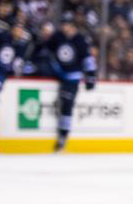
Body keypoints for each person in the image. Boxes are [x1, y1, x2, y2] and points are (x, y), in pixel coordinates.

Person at [38, 13, 97, 152]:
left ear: (72, 26)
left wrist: (91, 77)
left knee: (67, 103)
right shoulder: (58, 36)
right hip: (57, 71)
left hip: (72, 76)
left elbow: (88, 59)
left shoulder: (80, 39)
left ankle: (63, 135)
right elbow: (45, 50)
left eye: (67, 24)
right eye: (63, 24)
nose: (64, 27)